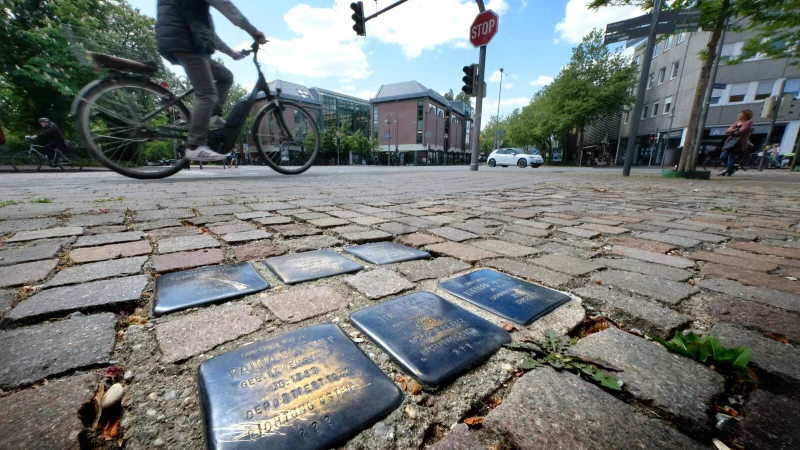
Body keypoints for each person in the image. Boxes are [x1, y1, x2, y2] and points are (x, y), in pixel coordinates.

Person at [155, 0, 266, 162]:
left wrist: (232, 53)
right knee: (206, 93)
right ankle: (195, 145)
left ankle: (211, 115)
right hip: (184, 40)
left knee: (225, 76)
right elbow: (227, 7)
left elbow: (210, 35)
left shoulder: (193, 9)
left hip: (178, 37)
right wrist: (254, 32)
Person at [719, 109, 753, 176]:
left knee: (731, 157)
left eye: (741, 114)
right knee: (722, 157)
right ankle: (733, 167)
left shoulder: (748, 122)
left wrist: (733, 131)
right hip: (729, 142)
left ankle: (728, 171)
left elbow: (742, 131)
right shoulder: (736, 123)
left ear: (746, 116)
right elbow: (727, 131)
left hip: (738, 143)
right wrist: (736, 129)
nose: (738, 115)